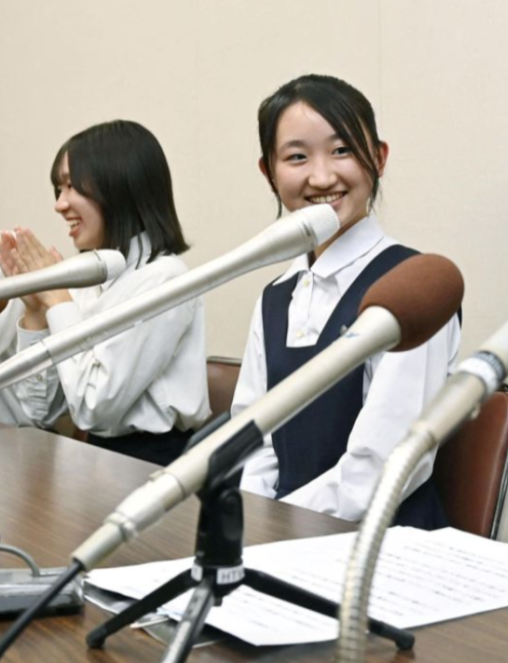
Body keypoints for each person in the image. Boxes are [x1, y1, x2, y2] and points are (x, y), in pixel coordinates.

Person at [234, 74, 460, 527]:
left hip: (381, 549)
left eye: (342, 151)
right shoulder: (277, 297)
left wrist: (276, 529)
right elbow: (251, 441)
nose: (322, 176)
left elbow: (380, 468)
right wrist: (250, 524)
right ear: (269, 172)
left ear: (378, 157)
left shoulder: (412, 290)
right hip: (281, 545)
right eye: (297, 157)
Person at [0, 120, 210, 465]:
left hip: (155, 463)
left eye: (71, 187)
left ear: (119, 186)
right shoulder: (88, 279)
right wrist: (36, 312)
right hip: (92, 460)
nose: (59, 204)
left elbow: (94, 408)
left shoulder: (165, 279)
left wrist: (57, 299)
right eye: (58, 189)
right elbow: (39, 412)